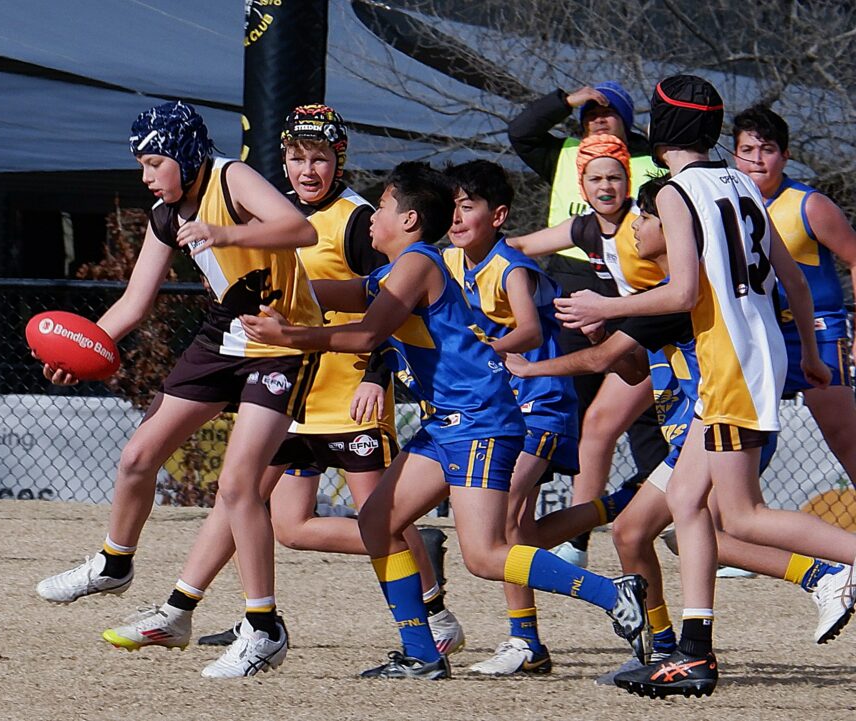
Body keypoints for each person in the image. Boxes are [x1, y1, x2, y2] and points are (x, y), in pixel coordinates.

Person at [242, 161, 649, 680]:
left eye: (381, 206)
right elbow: (343, 291)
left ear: (409, 219)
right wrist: (274, 288)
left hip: (480, 420)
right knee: (376, 522)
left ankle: (612, 593)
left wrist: (290, 336)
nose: (372, 217)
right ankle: (421, 654)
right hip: (448, 424)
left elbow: (366, 335)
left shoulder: (418, 262)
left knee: (484, 555)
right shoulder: (398, 270)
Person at [98, 105, 464, 664]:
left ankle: (433, 612)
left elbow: (392, 302)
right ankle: (180, 611)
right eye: (296, 158)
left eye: (320, 158)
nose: (307, 170)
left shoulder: (359, 220)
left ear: (339, 161)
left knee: (380, 516)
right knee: (257, 506)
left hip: (346, 390)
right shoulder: (268, 209)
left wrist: (377, 373)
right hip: (287, 380)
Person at [554, 75, 856, 698]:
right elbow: (795, 280)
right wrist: (809, 354)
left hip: (730, 363)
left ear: (660, 128)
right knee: (687, 502)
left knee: (742, 514)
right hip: (754, 355)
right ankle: (693, 653)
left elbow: (682, 292)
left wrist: (605, 306)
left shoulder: (676, 191)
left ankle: (839, 569)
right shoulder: (742, 183)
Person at [32, 100, 322, 678]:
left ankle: (263, 629)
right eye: (141, 165)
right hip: (222, 336)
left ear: (186, 156)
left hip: (282, 340)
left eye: (153, 163)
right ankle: (114, 563)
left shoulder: (230, 178)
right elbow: (134, 303)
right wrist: (80, 351)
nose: (145, 176)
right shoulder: (164, 215)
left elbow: (302, 228)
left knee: (237, 486)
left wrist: (224, 231)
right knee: (137, 457)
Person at [440, 160, 632, 676]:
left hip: (539, 404)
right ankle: (618, 504)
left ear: (498, 215)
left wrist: (481, 353)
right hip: (499, 407)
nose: (455, 217)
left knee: (502, 519)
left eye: (467, 207)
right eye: (451, 206)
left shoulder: (512, 267)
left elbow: (527, 330)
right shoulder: (450, 261)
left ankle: (527, 637)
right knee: (518, 529)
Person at [509, 82, 670, 566]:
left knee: (649, 439)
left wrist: (606, 312)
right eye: (596, 178)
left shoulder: (645, 228)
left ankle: (697, 527)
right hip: (645, 343)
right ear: (582, 186)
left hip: (675, 341)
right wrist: (458, 253)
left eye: (614, 177)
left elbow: (680, 292)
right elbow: (522, 245)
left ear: (629, 180)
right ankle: (583, 538)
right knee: (601, 427)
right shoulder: (585, 227)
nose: (606, 186)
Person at [732, 104, 856, 482]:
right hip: (756, 334)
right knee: (743, 438)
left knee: (845, 436)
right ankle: (732, 511)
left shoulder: (809, 204)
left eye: (767, 149)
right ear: (734, 155)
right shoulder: (727, 206)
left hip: (816, 332)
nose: (757, 160)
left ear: (785, 155)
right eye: (747, 150)